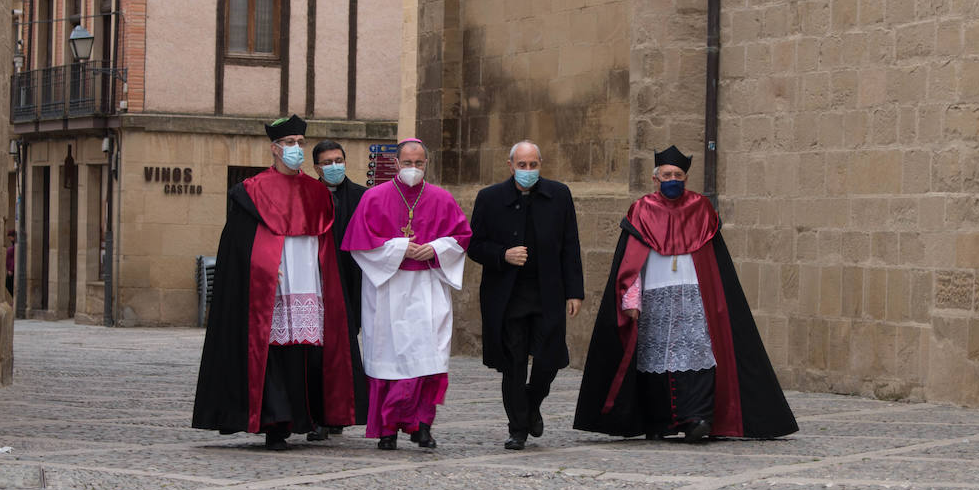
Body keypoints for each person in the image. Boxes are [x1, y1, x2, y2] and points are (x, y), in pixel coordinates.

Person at [574, 145, 797, 442]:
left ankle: (697, 418)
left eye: (678, 174)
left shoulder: (701, 208)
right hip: (655, 294)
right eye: (666, 174)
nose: (672, 179)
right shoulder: (642, 210)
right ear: (655, 179)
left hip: (695, 295)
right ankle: (661, 421)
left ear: (686, 178)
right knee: (657, 357)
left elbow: (714, 262)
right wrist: (630, 297)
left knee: (699, 351)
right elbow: (630, 261)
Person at [192, 115, 356, 450]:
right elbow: (237, 244)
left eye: (300, 142)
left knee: (304, 355)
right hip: (271, 286)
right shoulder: (251, 191)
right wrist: (260, 266)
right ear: (274, 149)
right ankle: (273, 423)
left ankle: (303, 417)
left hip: (308, 282)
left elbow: (324, 244)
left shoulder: (317, 192)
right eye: (290, 143)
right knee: (271, 356)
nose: (296, 149)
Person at [340, 139, 472, 450]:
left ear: (427, 164)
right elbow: (359, 243)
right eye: (408, 162)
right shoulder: (374, 198)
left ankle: (422, 426)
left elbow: (462, 237)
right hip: (388, 290)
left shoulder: (442, 198)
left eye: (419, 163)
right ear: (396, 164)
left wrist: (436, 248)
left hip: (428, 288)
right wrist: (400, 247)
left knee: (428, 361)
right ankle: (387, 429)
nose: (413, 169)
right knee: (390, 361)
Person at [468, 140, 584, 450]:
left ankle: (532, 404)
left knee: (549, 360)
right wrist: (502, 254)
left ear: (540, 165)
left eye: (533, 165)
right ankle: (517, 428)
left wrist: (575, 291)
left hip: (548, 293)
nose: (528, 171)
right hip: (507, 297)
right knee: (514, 363)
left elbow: (570, 245)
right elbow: (474, 245)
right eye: (522, 165)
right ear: (510, 166)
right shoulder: (489, 198)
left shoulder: (559, 195)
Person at [311, 138, 369, 436]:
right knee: (317, 354)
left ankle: (339, 414)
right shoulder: (308, 195)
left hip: (351, 284)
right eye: (327, 162)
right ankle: (319, 417)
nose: (335, 166)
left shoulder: (362, 197)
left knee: (344, 353)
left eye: (339, 160)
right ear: (316, 168)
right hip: (317, 285)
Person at [5, 229, 16, 298]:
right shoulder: (13, 245)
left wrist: (11, 269)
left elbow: (14, 259)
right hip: (10, 269)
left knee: (9, 284)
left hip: (12, 270)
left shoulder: (15, 246)